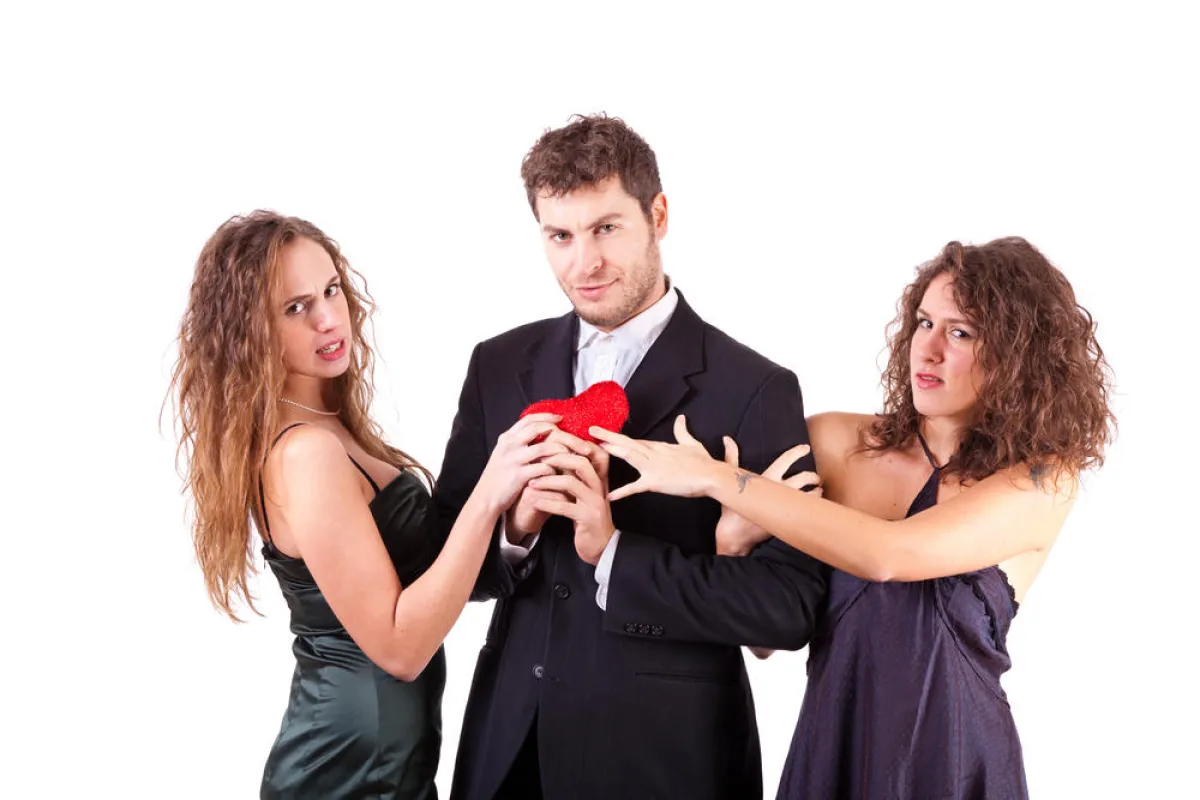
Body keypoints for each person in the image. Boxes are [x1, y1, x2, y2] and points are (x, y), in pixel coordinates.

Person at [591, 236, 1116, 799]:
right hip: (832, 749)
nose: (928, 350)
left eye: (960, 332)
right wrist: (733, 546)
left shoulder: (1041, 481)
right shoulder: (835, 442)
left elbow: (889, 555)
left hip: (956, 763)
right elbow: (766, 641)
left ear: (1017, 357)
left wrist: (719, 480)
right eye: (924, 323)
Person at [432, 114, 829, 799]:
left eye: (606, 228)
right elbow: (442, 562)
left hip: (665, 760)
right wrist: (514, 532)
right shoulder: (497, 364)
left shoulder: (755, 388)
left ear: (658, 216)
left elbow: (790, 609)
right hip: (506, 749)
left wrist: (613, 552)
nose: (583, 263)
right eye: (560, 236)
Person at [169, 210, 566, 799]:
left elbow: (431, 578)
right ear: (251, 332)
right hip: (343, 773)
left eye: (331, 290)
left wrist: (517, 519)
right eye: (295, 307)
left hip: (389, 763)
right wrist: (490, 492)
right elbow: (401, 649)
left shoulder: (330, 424)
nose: (329, 319)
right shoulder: (305, 453)